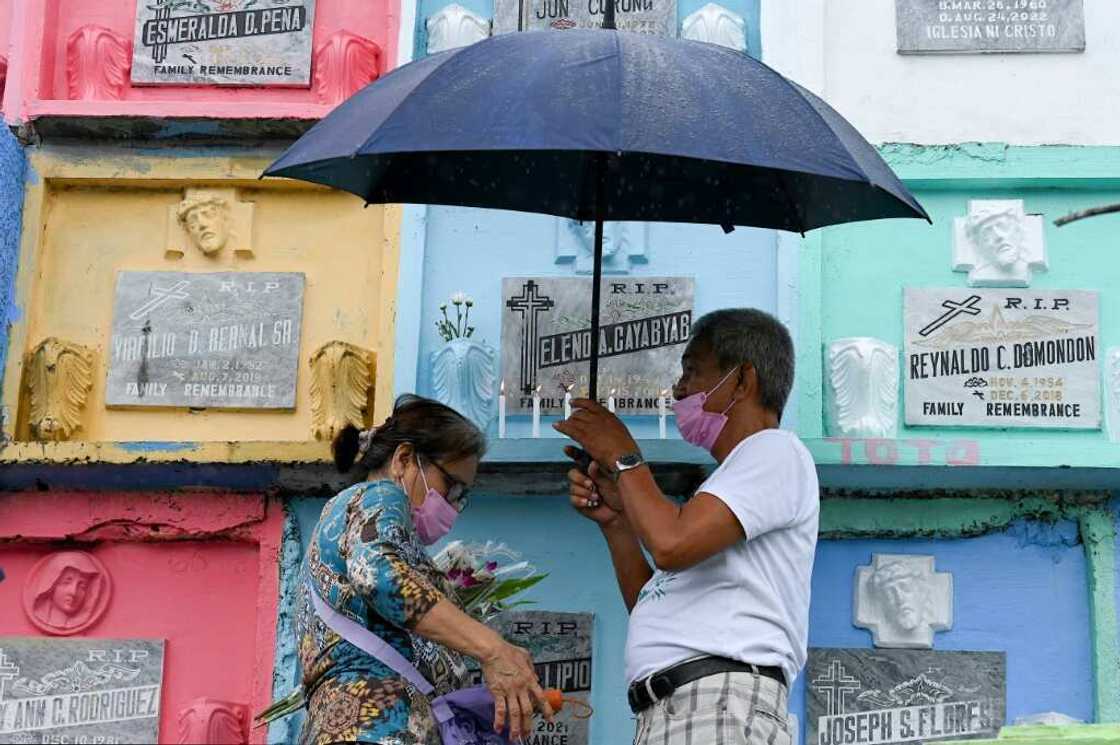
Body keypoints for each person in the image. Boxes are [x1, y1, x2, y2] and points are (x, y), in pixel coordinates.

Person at [555, 308, 818, 745]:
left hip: (718, 704)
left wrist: (624, 457)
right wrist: (617, 524)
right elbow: (654, 602)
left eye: (692, 371)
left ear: (742, 380)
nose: (678, 389)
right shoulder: (729, 483)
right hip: (680, 708)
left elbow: (670, 544)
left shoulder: (774, 452)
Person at [295, 394, 552, 745]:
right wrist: (493, 649)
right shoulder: (379, 495)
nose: (454, 504)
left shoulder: (357, 519)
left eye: (463, 494)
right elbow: (379, 576)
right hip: (372, 729)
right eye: (452, 485)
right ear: (404, 459)